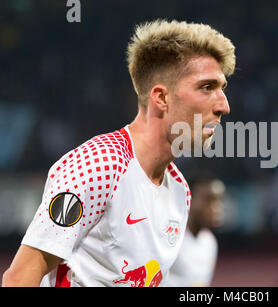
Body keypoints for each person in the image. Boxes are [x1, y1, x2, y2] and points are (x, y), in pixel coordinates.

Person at [2, 19, 235, 287]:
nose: (223, 106)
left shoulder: (180, 191)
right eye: (207, 87)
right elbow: (19, 278)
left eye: (222, 89)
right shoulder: (98, 166)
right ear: (161, 98)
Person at [166, 175, 225, 287]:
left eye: (219, 200)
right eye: (208, 200)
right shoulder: (169, 236)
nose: (216, 207)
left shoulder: (209, 242)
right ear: (188, 200)